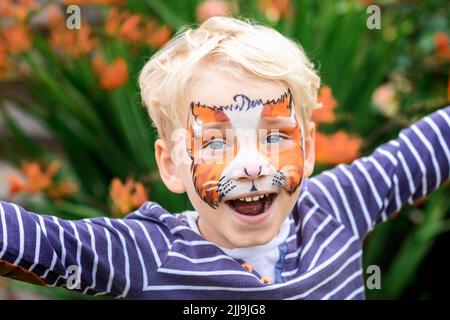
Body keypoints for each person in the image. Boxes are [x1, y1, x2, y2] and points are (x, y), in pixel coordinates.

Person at [0, 16, 449, 300]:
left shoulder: (335, 209)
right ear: (172, 164)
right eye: (216, 143)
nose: (252, 166)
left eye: (274, 136)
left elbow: (427, 148)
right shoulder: (152, 255)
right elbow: (48, 243)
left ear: (308, 148)